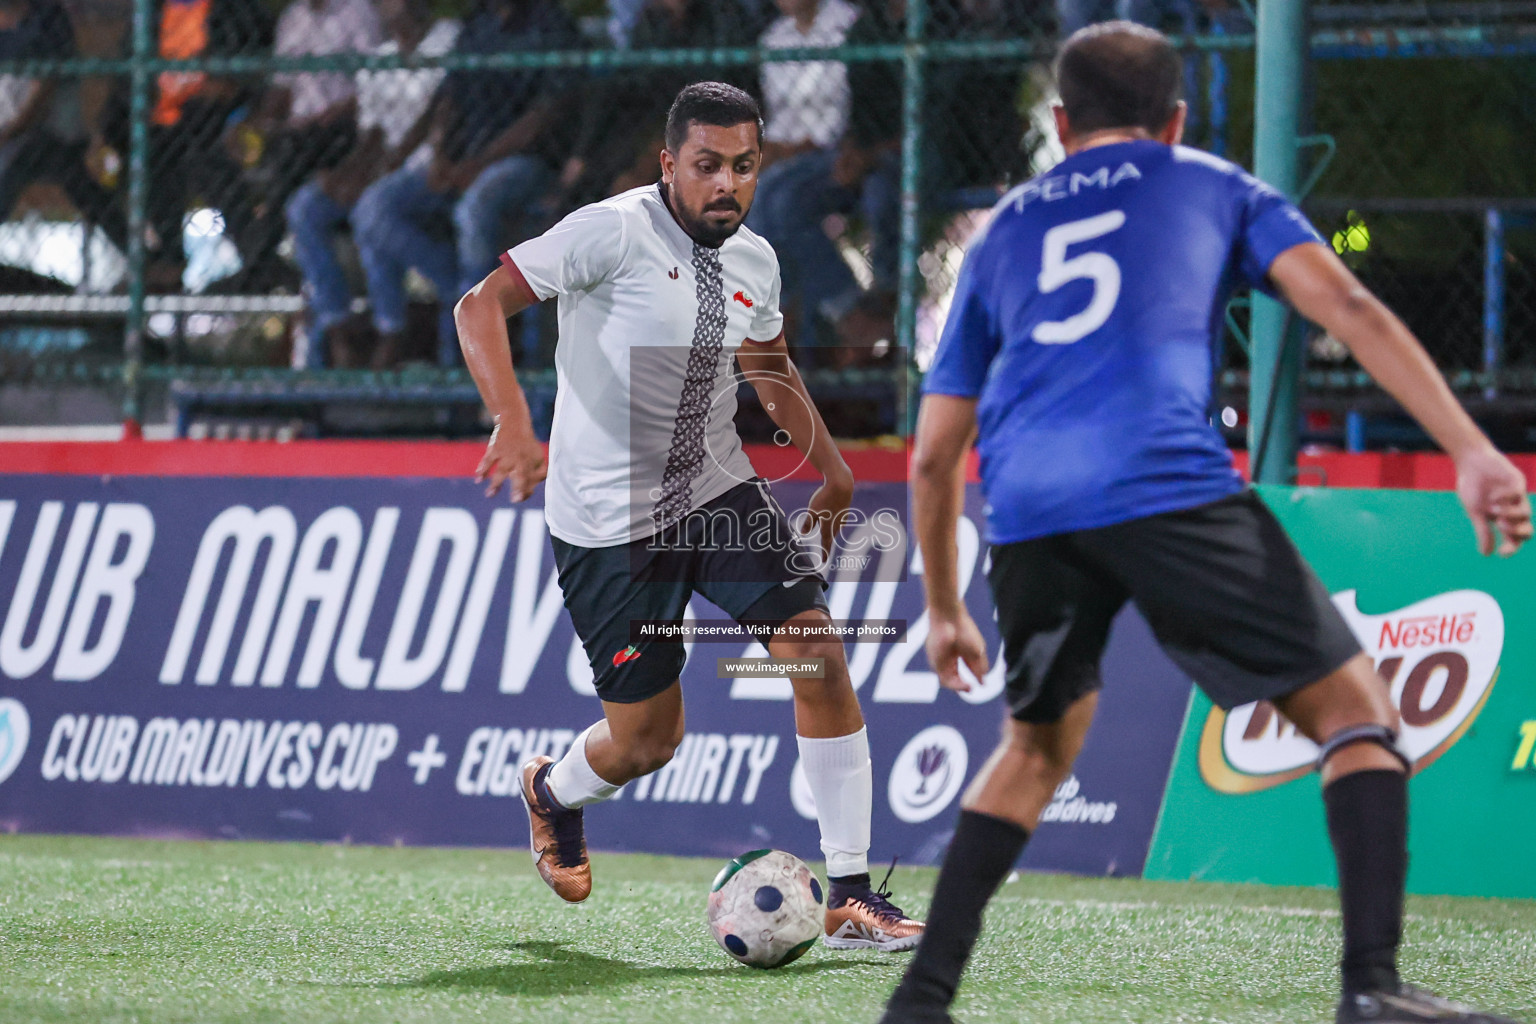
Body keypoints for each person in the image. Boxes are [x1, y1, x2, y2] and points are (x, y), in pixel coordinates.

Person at [882, 22, 1533, 1024]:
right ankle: (1373, 985)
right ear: (1176, 117)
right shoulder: (1211, 182)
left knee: (1035, 749)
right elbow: (1347, 303)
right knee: (1358, 710)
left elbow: (931, 454)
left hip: (1026, 510)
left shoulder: (1004, 228)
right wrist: (1469, 448)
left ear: (1060, 124)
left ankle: (921, 1000)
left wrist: (941, 605)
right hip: (1163, 483)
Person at [454, 81, 925, 952]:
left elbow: (769, 367)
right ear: (669, 164)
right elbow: (478, 303)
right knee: (647, 741)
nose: (727, 185)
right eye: (708, 166)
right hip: (607, 525)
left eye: (744, 167)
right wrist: (512, 422)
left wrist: (832, 469)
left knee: (815, 651)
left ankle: (853, 895)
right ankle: (552, 793)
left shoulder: (755, 259)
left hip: (715, 493)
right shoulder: (612, 229)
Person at [351, 0, 579, 366]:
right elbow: (449, 97)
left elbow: (544, 115)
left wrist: (477, 164)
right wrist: (441, 154)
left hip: (526, 163)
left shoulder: (551, 25)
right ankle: (456, 287)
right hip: (465, 158)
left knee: (474, 207)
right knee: (376, 205)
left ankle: (465, 350)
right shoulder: (477, 23)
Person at [284, 0, 460, 367]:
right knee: (306, 208)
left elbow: (439, 112)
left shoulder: (448, 38)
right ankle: (337, 324)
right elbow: (373, 134)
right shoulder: (381, 59)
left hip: (433, 168)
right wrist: (348, 174)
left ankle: (447, 288)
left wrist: (375, 174)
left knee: (372, 208)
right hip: (384, 172)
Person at [0, 0, 126, 255]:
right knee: (74, 179)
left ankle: (147, 262)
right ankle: (145, 259)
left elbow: (45, 88)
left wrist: (10, 130)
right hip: (14, 129)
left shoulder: (47, 17)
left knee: (30, 163)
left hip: (48, 130)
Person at [757, 0, 860, 169]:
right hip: (784, 147)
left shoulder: (851, 24)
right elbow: (779, 111)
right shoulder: (774, 38)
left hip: (837, 149)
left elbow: (851, 107)